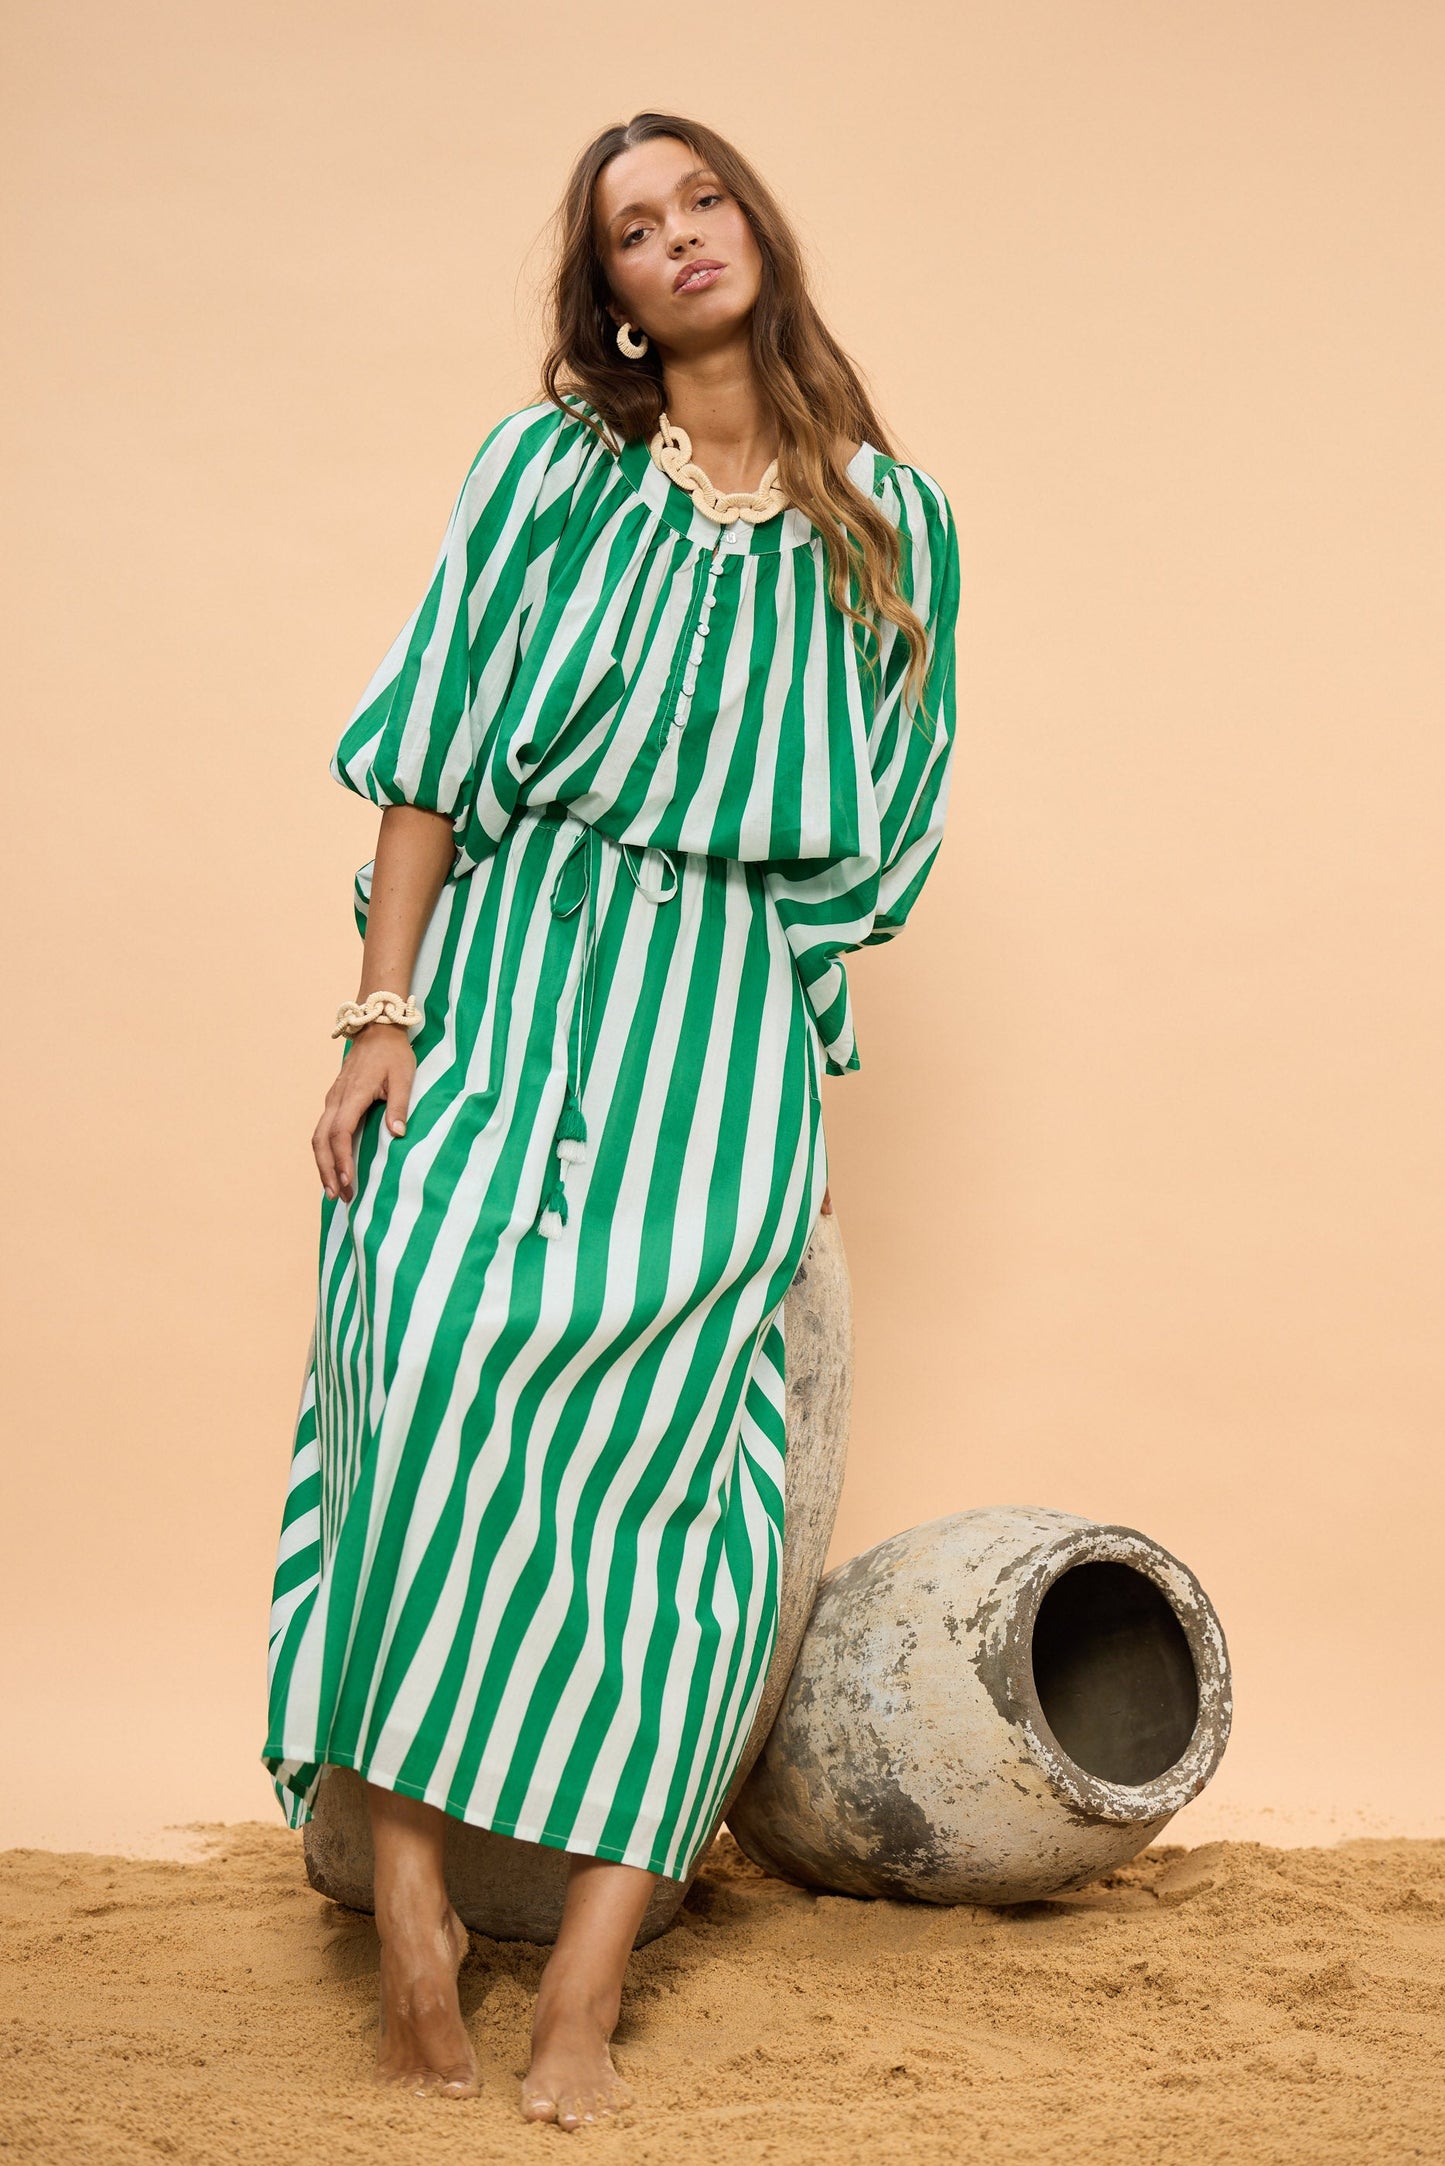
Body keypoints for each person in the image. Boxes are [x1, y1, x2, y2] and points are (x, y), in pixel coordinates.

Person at [261, 109, 961, 2129]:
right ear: (615, 300)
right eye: (634, 229)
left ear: (757, 228)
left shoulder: (894, 521)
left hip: (717, 1031)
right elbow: (430, 750)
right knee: (417, 1375)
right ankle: (412, 1924)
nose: (678, 237)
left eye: (701, 199)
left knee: (686, 1500)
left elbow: (890, 823)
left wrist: (749, 1021)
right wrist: (382, 1014)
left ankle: (580, 1982)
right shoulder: (543, 474)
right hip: (503, 980)